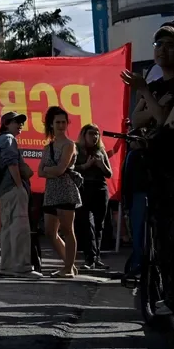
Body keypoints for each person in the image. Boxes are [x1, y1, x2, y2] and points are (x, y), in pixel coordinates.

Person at [122, 23, 174, 315]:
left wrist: (148, 96)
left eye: (169, 45)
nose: (162, 50)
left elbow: (168, 121)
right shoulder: (156, 87)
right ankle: (171, 295)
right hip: (154, 166)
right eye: (158, 44)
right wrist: (154, 103)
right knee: (161, 233)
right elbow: (138, 120)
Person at [0, 111, 40, 279]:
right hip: (12, 189)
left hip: (4, 190)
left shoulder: (2, 139)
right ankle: (21, 268)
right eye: (16, 121)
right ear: (6, 124)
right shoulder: (8, 139)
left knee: (9, 229)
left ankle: (8, 266)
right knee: (20, 229)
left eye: (21, 122)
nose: (20, 124)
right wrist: (20, 186)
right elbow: (11, 162)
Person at [39, 106, 81, 278]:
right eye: (58, 122)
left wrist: (50, 170)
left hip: (66, 191)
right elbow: (40, 172)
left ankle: (68, 268)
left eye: (64, 122)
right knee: (50, 231)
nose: (62, 125)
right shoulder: (47, 147)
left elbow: (60, 170)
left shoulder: (69, 144)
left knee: (67, 229)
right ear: (51, 124)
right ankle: (69, 263)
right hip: (51, 192)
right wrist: (52, 170)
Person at [75, 124, 112, 271]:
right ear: (84, 135)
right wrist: (86, 165)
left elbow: (109, 173)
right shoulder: (77, 149)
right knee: (86, 223)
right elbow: (71, 168)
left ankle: (96, 258)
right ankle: (89, 258)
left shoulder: (100, 150)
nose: (94, 136)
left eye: (97, 134)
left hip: (100, 188)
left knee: (99, 224)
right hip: (85, 188)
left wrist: (101, 164)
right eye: (91, 133)